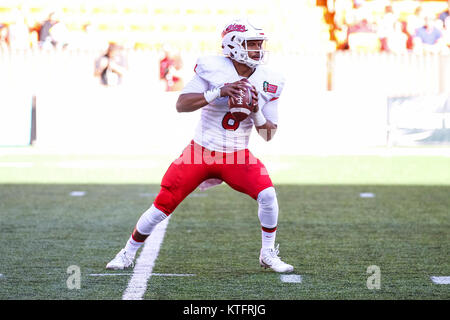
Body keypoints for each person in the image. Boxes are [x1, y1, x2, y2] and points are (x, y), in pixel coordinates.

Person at [106, 18, 294, 273]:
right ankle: (126, 253)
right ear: (234, 45)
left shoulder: (271, 79)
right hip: (200, 151)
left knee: (268, 195)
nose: (258, 49)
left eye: (259, 44)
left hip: (237, 155)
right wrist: (219, 91)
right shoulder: (212, 67)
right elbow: (181, 104)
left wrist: (257, 111)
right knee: (163, 204)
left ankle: (268, 253)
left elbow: (269, 134)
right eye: (252, 44)